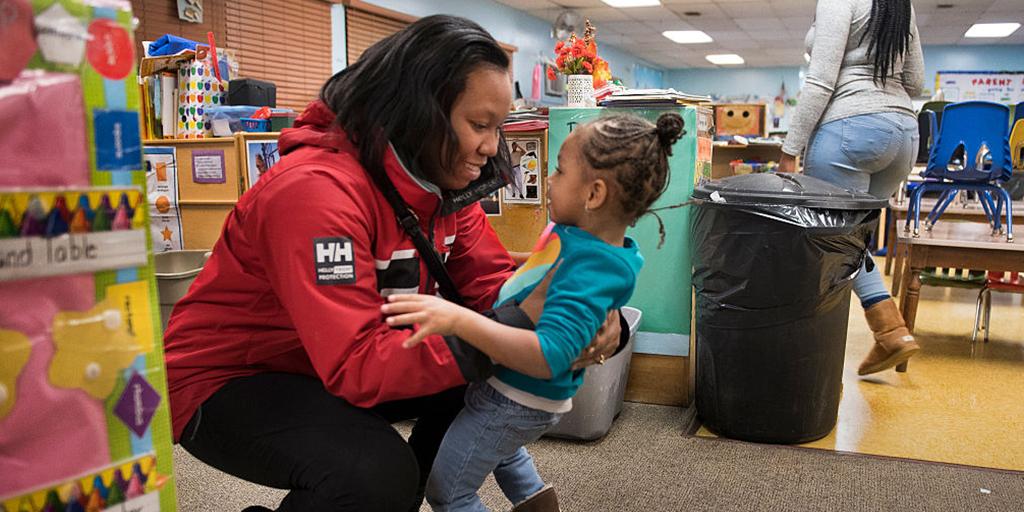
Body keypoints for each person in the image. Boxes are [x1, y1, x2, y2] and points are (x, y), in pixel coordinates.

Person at [162, 15, 624, 512]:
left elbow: (490, 285)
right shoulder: (315, 193)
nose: (492, 147)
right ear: (419, 109)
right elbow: (359, 364)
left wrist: (583, 316)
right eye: (478, 125)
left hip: (330, 362)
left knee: (473, 386)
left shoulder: (441, 183)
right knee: (377, 473)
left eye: (498, 127)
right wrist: (507, 334)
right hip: (227, 380)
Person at [382, 112, 685, 512]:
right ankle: (537, 503)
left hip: (515, 396)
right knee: (502, 453)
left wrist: (459, 321)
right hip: (510, 391)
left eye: (559, 171)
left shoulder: (592, 269)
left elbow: (550, 357)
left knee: (448, 490)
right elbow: (545, 264)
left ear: (593, 195)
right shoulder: (579, 235)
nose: (549, 181)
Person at [779, 0, 924, 376]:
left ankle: (886, 332)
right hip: (904, 134)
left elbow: (821, 80)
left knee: (833, 242)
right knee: (851, 240)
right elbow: (916, 81)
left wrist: (789, 149)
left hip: (850, 129)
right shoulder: (899, 4)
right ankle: (890, 332)